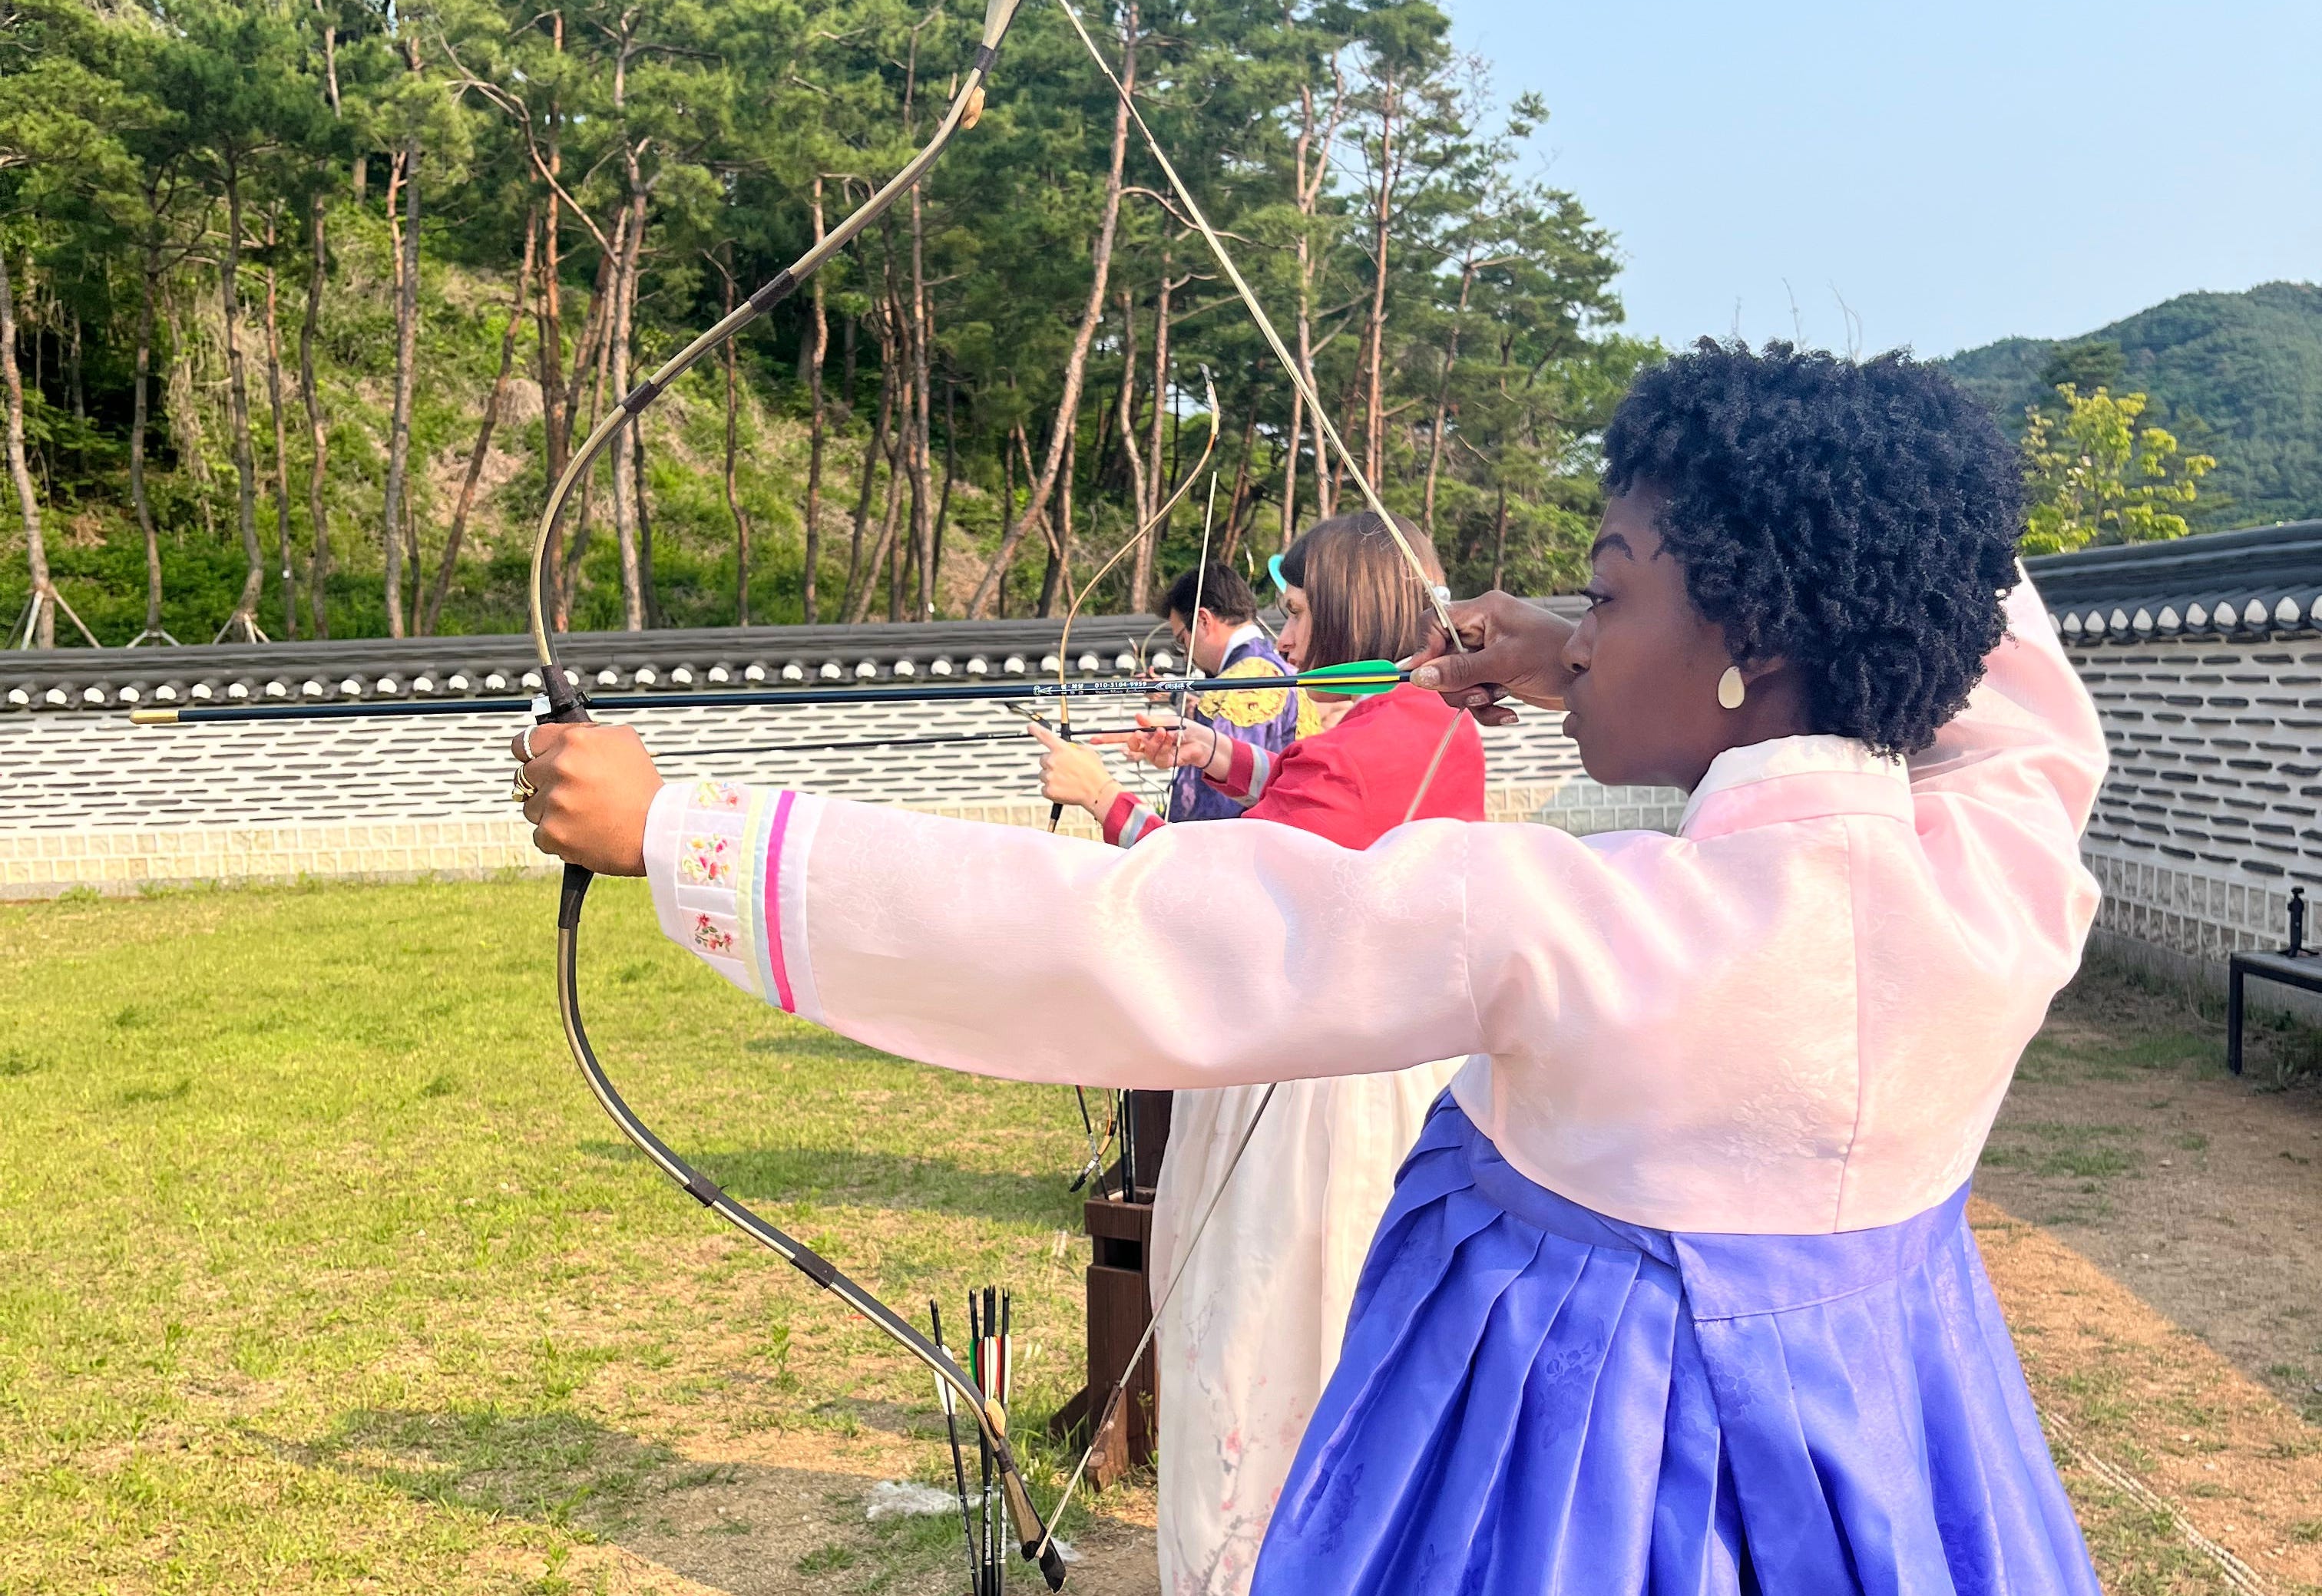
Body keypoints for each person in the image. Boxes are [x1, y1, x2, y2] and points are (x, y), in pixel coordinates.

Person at [515, 341, 2108, 1596]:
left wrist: (678, 830)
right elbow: (2010, 667)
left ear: (1749, 641)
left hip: (1582, 1504)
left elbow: (1123, 934)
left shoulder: (1573, 922)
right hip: (1906, 1459)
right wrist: (1610, 646)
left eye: (1608, 587)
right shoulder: (2009, 877)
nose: (1569, 621)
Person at [1031, 512, 1482, 1596]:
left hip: (1303, 1103)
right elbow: (1304, 796)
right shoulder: (1441, 732)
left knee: (1263, 1335)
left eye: (1297, 612)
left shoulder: (1351, 758)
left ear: (1358, 614)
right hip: (1404, 1080)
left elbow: (1208, 896)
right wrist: (1215, 751)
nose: (1284, 635)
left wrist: (1103, 801)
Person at [1151, 561, 1302, 824]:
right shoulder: (1272, 667)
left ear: (1203, 620)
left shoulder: (1246, 679)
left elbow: (1213, 805)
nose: (1186, 653)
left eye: (1182, 640)